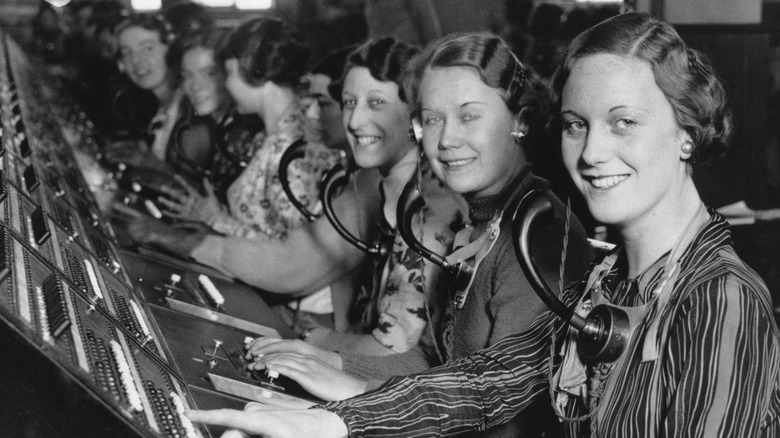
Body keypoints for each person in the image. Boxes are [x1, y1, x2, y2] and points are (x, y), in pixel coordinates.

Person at [186, 12, 780, 438]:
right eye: (577, 124)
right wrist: (334, 421)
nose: (594, 151)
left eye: (623, 122)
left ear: (686, 132)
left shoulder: (718, 299)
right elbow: (484, 383)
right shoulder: (608, 279)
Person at [240, 32, 591, 438]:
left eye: (468, 116)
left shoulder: (541, 232)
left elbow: (503, 415)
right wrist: (329, 361)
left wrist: (359, 395)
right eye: (432, 119)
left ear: (521, 122)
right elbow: (433, 360)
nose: (445, 140)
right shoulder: (479, 219)